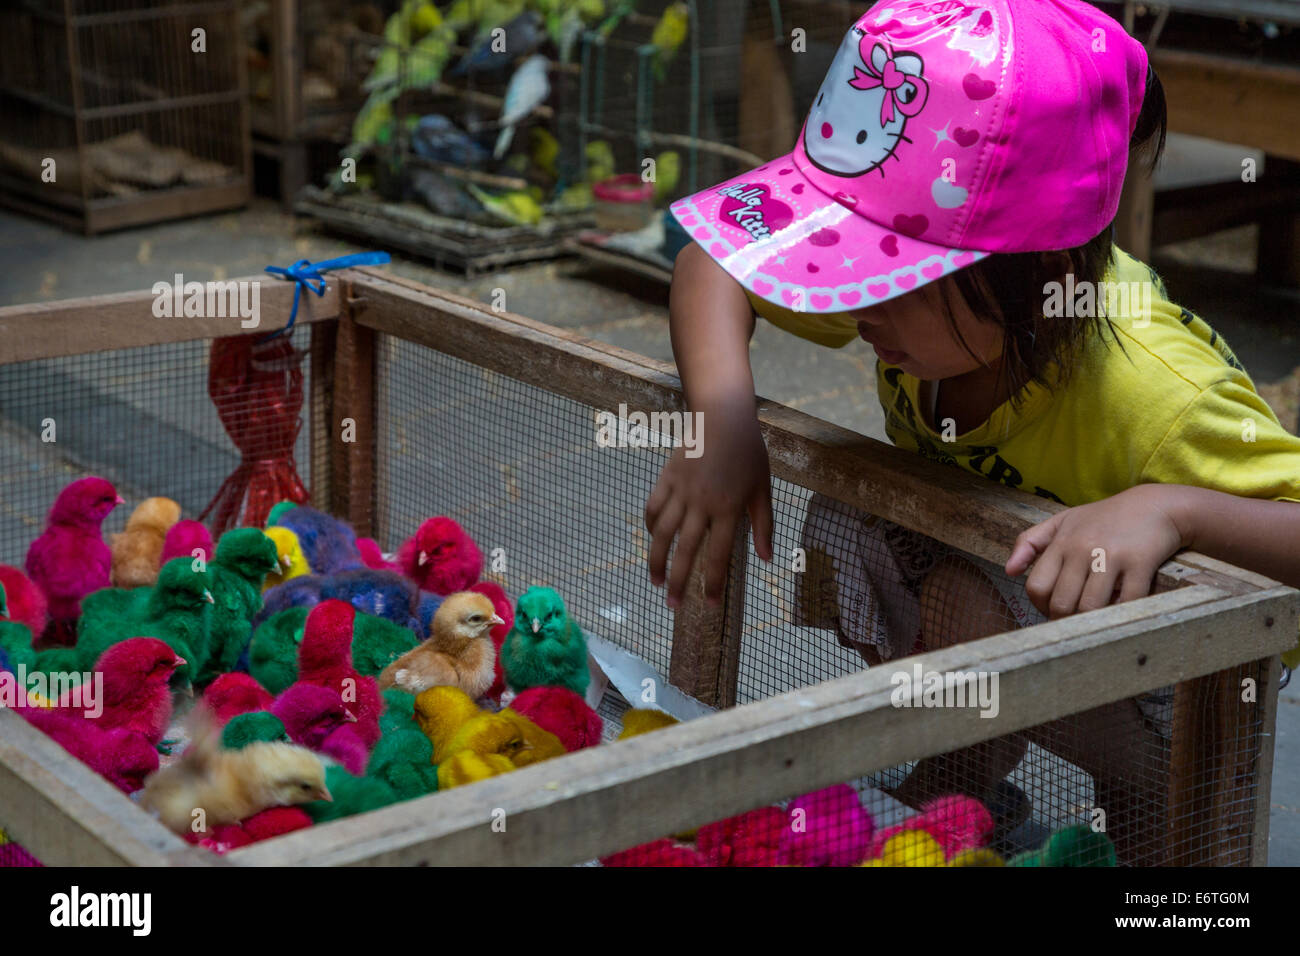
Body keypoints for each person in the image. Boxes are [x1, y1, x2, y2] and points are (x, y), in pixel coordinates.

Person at [644, 0, 1300, 862]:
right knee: (864, 525)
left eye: (887, 273)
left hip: (1181, 690)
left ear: (1045, 273)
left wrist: (1173, 510)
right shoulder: (927, 311)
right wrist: (723, 418)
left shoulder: (1152, 388)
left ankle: (1152, 826)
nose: (854, 300)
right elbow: (711, 260)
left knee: (1165, 851)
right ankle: (962, 790)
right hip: (1015, 590)